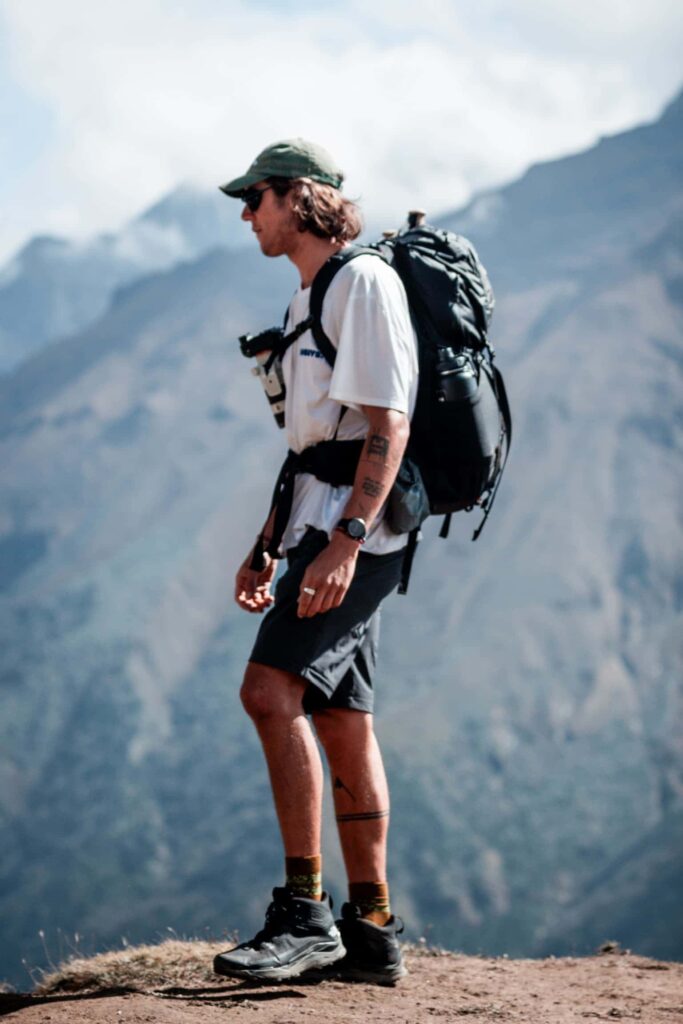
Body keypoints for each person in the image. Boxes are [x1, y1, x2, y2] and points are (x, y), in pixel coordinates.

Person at [213, 139, 418, 986]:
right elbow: (310, 448)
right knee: (340, 721)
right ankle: (369, 930)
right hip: (316, 523)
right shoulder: (309, 296)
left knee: (267, 692)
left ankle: (304, 916)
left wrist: (346, 542)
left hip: (355, 532)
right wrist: (267, 542)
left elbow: (387, 424)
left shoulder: (359, 283)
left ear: (296, 197)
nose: (245, 214)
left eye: (253, 197)